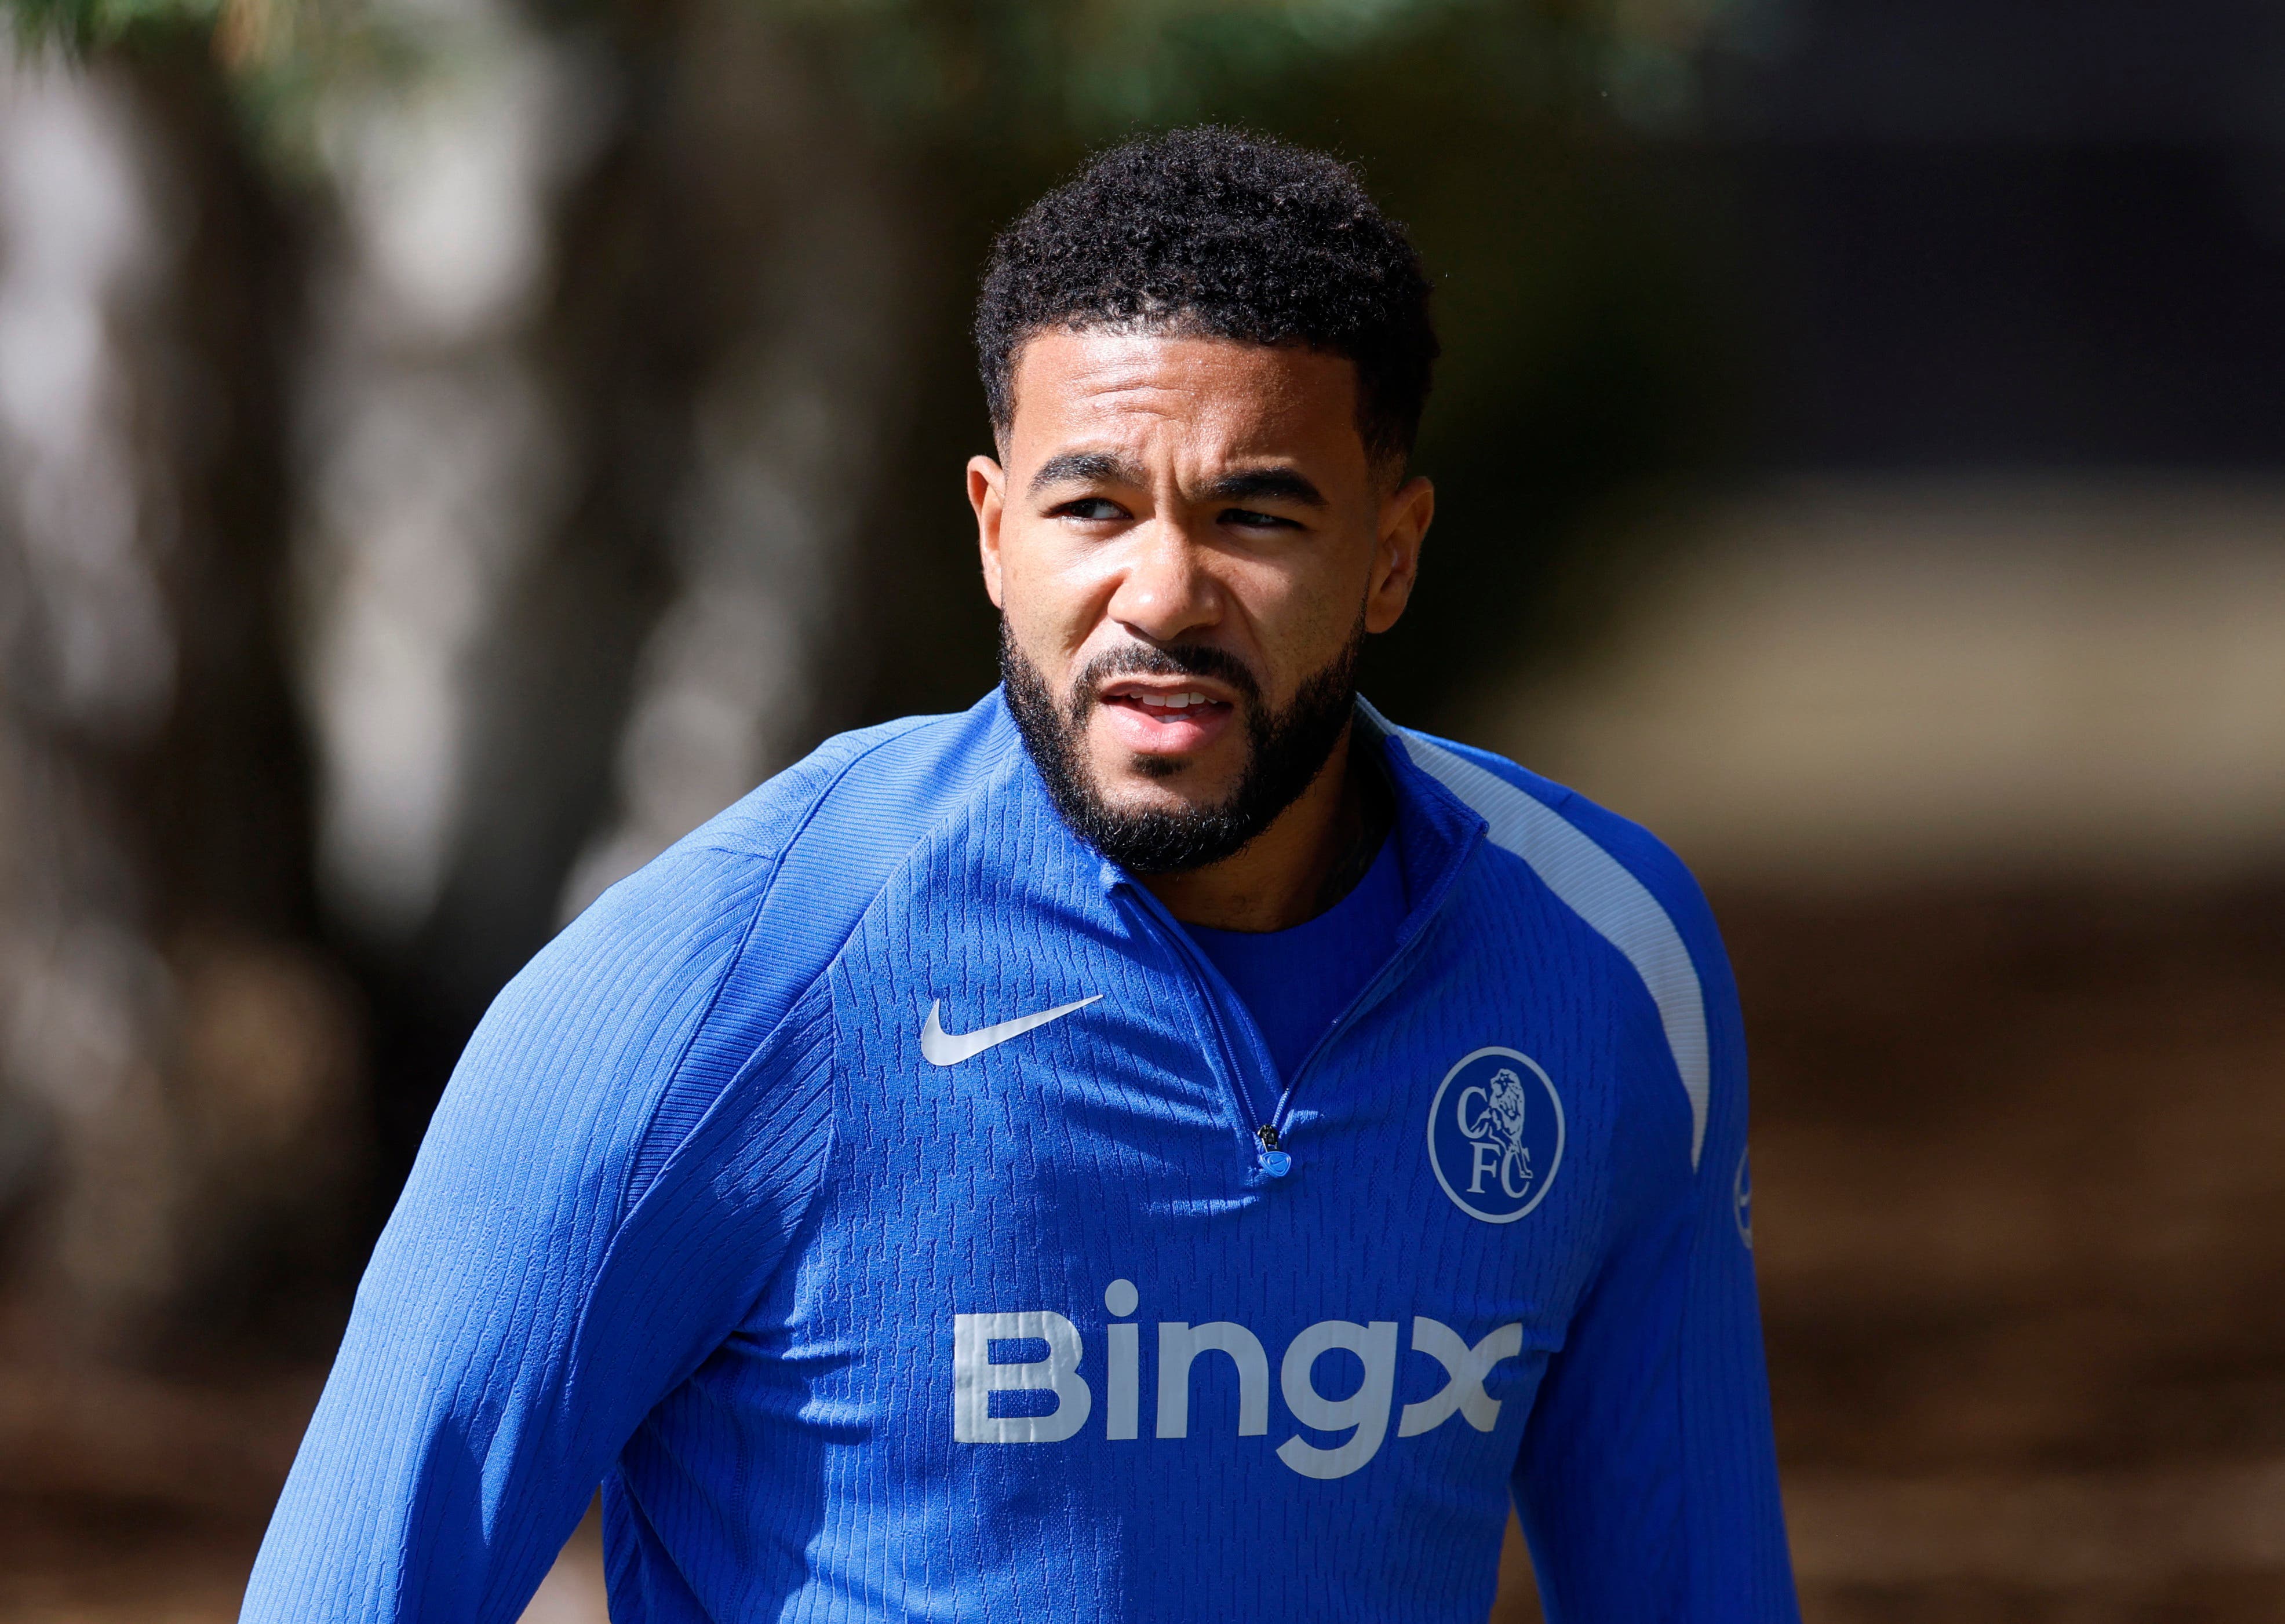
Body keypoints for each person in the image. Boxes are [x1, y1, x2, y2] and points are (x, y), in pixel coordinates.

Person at [242, 127, 1799, 1623]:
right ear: (996, 533)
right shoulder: (713, 982)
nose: (1163, 592)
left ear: (1391, 554)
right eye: (1092, 506)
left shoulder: (1605, 965)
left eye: (1257, 512)